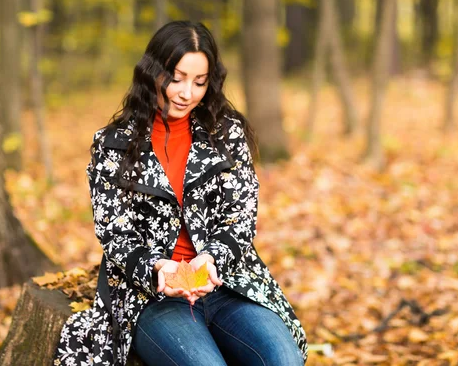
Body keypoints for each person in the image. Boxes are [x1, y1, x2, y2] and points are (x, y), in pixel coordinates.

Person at [53, 21, 307, 366]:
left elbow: (241, 217)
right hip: (153, 296)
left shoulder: (226, 132)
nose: (187, 93)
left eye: (199, 82)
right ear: (152, 73)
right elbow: (115, 232)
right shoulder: (113, 143)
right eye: (177, 78)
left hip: (227, 284)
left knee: (283, 360)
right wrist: (157, 269)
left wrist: (213, 257)